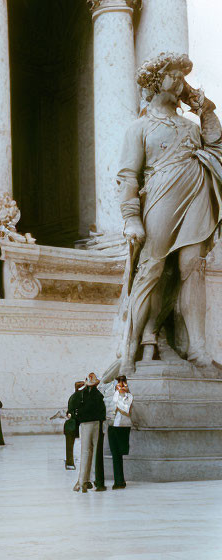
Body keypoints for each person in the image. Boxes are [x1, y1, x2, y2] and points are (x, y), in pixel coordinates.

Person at [113, 52, 222, 376]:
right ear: (154, 81)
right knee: (151, 269)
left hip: (196, 194)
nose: (179, 81)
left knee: (193, 267)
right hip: (161, 196)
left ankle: (198, 349)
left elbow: (216, 142)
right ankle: (130, 348)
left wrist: (202, 105)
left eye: (181, 75)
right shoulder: (140, 127)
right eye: (172, 75)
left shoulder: (191, 125)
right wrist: (131, 217)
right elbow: (128, 175)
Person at [73, 372, 106, 493]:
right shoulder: (99, 395)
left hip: (85, 424)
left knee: (85, 452)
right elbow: (102, 411)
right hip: (96, 424)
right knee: (95, 452)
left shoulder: (81, 395)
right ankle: (92, 480)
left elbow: (75, 407)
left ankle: (82, 481)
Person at [107, 376, 133, 489]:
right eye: (119, 384)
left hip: (122, 426)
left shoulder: (128, 396)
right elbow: (108, 410)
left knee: (120, 453)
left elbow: (125, 409)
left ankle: (120, 480)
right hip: (113, 426)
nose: (121, 386)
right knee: (115, 455)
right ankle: (119, 481)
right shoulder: (112, 396)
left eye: (123, 384)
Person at [64, 381, 85, 470]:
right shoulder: (80, 397)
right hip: (74, 424)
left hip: (70, 424)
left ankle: (70, 462)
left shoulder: (73, 396)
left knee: (70, 446)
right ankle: (70, 463)